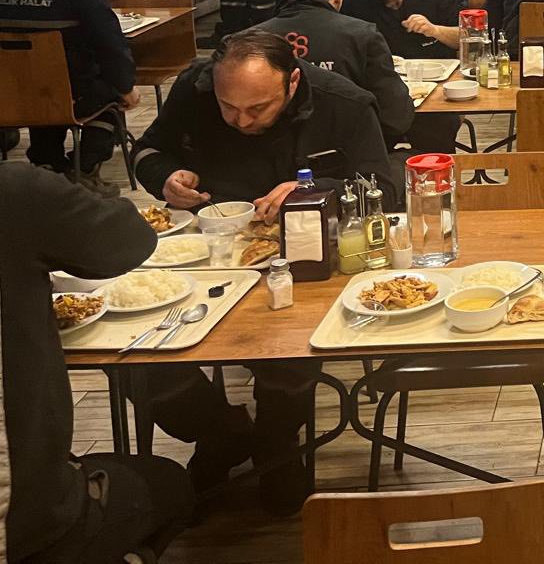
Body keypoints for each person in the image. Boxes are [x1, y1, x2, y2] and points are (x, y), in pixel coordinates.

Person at [133, 30, 392, 514]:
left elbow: (383, 185)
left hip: (304, 256)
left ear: (292, 82)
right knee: (142, 359)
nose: (242, 120)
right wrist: (164, 177)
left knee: (288, 351)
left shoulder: (344, 102)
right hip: (206, 253)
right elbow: (147, 151)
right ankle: (219, 432)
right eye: (228, 108)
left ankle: (275, 443)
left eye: (257, 108)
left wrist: (314, 190)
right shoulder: (194, 88)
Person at [0, 163, 193, 562]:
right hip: (23, 526)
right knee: (170, 484)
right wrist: (74, 190)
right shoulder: (15, 194)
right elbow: (130, 239)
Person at [0, 0, 135, 193]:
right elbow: (109, 43)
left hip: (7, 92)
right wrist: (126, 86)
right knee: (109, 89)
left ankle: (47, 162)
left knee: (40, 85)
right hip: (72, 93)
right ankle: (84, 167)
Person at [257, 0, 414, 147]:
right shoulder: (362, 36)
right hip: (348, 157)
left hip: (267, 156)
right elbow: (396, 118)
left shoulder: (249, 41)